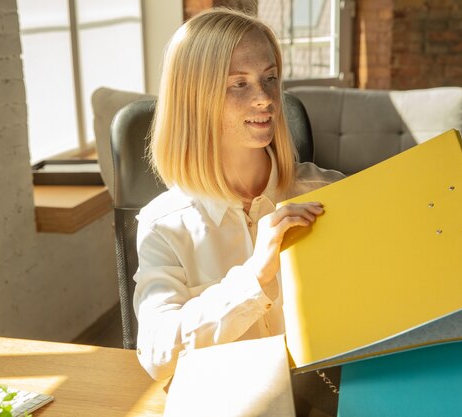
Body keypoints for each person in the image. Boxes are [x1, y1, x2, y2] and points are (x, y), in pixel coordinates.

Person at [133, 7, 344, 383]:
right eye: (239, 83)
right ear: (193, 99)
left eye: (270, 78)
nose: (265, 98)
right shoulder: (163, 225)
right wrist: (255, 279)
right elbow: (157, 356)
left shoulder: (330, 193)